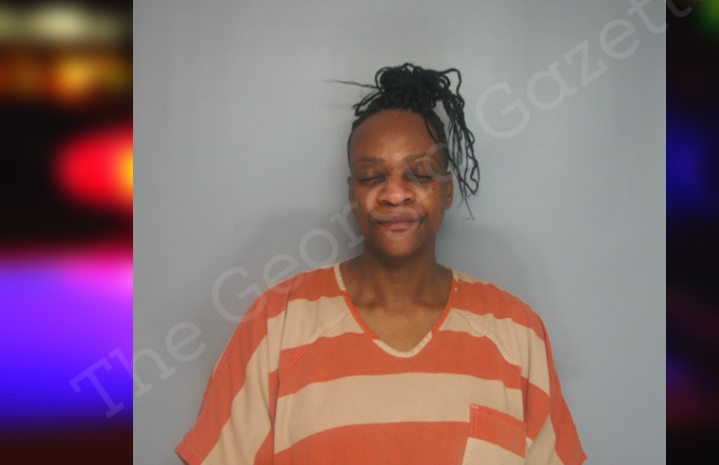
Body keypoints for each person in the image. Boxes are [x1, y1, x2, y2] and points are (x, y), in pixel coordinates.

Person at [175, 63, 586, 464]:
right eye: (372, 177)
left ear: (447, 192)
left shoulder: (516, 331)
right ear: (351, 193)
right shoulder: (277, 322)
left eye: (420, 174)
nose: (394, 194)